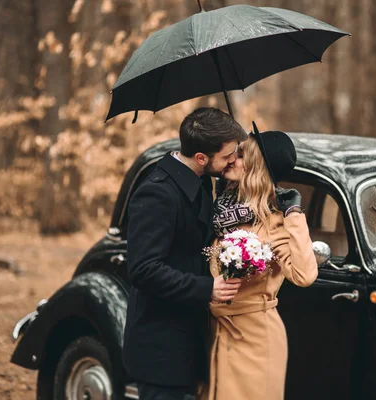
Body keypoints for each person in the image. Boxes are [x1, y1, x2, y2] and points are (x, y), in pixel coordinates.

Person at [124, 107, 248, 400]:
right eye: (228, 154)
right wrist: (207, 288)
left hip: (191, 340)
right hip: (160, 347)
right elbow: (143, 269)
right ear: (202, 158)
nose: (233, 158)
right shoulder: (157, 193)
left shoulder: (204, 181)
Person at [199, 124, 318, 400]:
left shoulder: (275, 221)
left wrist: (294, 214)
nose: (232, 158)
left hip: (255, 340)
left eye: (241, 156)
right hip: (215, 334)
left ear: (255, 168)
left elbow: (305, 275)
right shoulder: (220, 213)